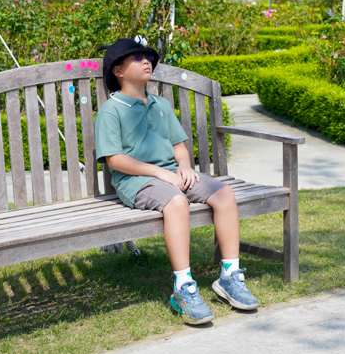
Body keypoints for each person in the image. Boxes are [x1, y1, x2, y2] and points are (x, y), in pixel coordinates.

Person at [94, 37, 259, 325]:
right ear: (118, 71)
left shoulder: (160, 104)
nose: (146, 61)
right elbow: (115, 160)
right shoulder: (112, 109)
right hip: (137, 181)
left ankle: (229, 276)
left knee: (224, 195)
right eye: (136, 58)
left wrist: (184, 167)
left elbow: (179, 146)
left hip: (172, 174)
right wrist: (160, 173)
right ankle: (183, 287)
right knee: (177, 202)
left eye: (148, 57)